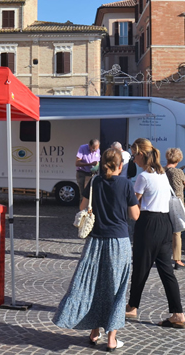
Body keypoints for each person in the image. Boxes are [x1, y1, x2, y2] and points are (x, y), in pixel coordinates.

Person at [52, 148, 139, 352]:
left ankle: (93, 332)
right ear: (121, 166)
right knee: (115, 288)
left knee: (94, 285)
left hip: (95, 241)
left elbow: (82, 206)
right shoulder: (126, 184)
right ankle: (112, 339)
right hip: (119, 242)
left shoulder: (94, 182)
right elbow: (135, 215)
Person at [125, 138, 185, 329]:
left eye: (134, 155)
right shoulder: (162, 175)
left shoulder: (144, 177)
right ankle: (178, 313)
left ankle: (132, 306)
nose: (133, 160)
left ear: (141, 154)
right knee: (166, 271)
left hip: (148, 223)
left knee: (141, 268)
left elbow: (133, 205)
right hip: (165, 224)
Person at [165, 148, 185, 269]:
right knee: (176, 232)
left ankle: (161, 256)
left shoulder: (162, 171)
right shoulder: (179, 172)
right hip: (177, 203)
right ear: (178, 159)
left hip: (164, 202)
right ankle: (177, 260)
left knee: (165, 230)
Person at [76, 139, 101, 203]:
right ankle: (82, 211)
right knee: (83, 194)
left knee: (92, 194)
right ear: (89, 145)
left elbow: (97, 161)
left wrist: (97, 166)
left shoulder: (97, 150)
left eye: (96, 149)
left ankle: (90, 210)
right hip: (82, 173)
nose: (94, 151)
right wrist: (89, 164)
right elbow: (77, 163)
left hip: (92, 174)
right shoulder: (82, 148)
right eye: (93, 149)